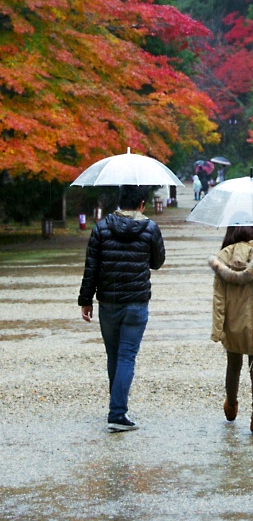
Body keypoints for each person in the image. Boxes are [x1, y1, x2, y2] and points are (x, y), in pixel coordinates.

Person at [78, 185, 165, 431]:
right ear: (141, 204)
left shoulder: (102, 228)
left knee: (114, 355)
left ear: (120, 202)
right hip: (136, 303)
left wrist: (86, 299)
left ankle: (116, 407)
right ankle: (117, 413)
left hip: (108, 302)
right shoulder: (150, 228)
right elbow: (157, 262)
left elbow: (91, 267)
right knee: (127, 356)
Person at [208, 223, 253, 435]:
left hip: (234, 320)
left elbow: (219, 298)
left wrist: (217, 329)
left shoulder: (222, 257)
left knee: (233, 364)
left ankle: (231, 406)